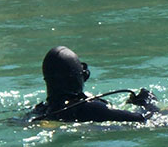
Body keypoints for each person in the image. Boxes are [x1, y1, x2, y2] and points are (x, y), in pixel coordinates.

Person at [30, 46, 159, 123]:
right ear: (80, 77)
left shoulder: (41, 110)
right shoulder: (90, 108)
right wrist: (148, 103)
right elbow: (143, 119)